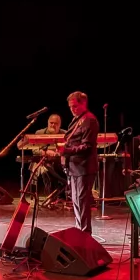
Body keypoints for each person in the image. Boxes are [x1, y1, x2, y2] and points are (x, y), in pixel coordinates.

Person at [58, 92, 99, 234]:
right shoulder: (77, 119)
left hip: (84, 167)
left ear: (84, 103)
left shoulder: (90, 120)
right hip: (75, 166)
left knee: (82, 201)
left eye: (75, 106)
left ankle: (85, 233)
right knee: (76, 201)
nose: (72, 109)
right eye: (70, 107)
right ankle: (80, 230)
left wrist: (67, 150)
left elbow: (87, 146)